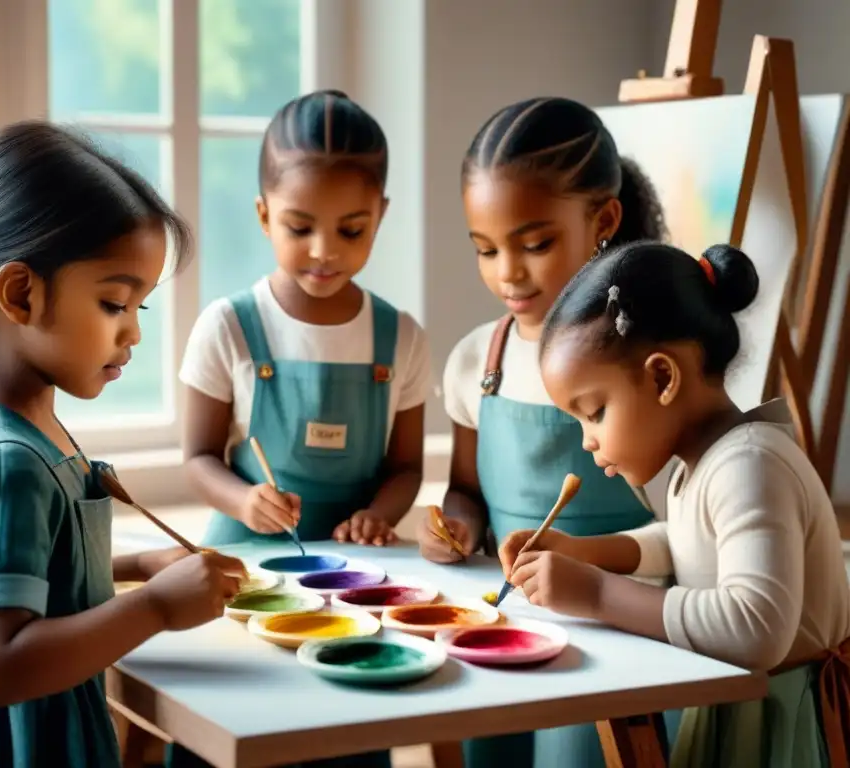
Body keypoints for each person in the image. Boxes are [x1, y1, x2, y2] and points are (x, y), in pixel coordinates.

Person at [0, 121, 247, 768]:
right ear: (21, 294)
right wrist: (156, 608)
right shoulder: (7, 465)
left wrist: (135, 568)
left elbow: (16, 572)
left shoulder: (8, 423)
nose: (133, 335)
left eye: (139, 310)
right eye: (115, 303)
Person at [503, 240, 850, 768]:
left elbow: (756, 628)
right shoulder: (707, 461)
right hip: (746, 710)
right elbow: (685, 541)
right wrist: (584, 552)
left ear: (663, 377)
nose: (587, 440)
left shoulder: (749, 464)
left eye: (593, 412)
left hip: (785, 727)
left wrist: (597, 593)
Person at [416, 97, 673, 767]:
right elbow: (466, 490)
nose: (508, 272)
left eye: (534, 244)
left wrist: (587, 568)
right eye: (485, 249)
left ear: (603, 220)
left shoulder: (647, 364)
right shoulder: (479, 358)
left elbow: (689, 534)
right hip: (502, 627)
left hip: (614, 631)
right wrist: (455, 526)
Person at [180, 89, 431, 551]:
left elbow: (406, 469)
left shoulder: (402, 339)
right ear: (264, 215)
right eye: (299, 228)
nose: (323, 250)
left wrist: (378, 516)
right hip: (248, 558)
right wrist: (242, 501)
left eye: (351, 229)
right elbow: (198, 459)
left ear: (380, 216)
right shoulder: (226, 327)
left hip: (359, 566)